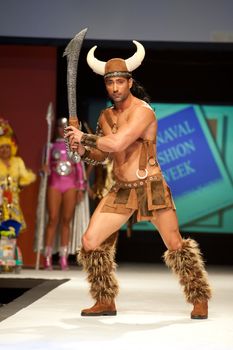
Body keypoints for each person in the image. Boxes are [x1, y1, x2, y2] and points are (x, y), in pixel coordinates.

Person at [65, 41, 212, 318]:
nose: (116, 88)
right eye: (111, 83)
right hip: (121, 188)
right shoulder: (105, 115)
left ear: (130, 82)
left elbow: (119, 142)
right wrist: (82, 148)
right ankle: (105, 299)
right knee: (90, 241)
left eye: (121, 81)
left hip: (150, 185)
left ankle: (199, 297)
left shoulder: (143, 111)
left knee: (175, 244)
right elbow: (101, 154)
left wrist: (84, 136)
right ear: (106, 86)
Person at [42, 118, 88, 270]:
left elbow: (80, 168)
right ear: (56, 129)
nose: (62, 129)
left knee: (66, 220)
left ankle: (63, 258)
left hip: (71, 185)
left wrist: (81, 187)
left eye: (65, 127)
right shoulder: (50, 146)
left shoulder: (73, 145)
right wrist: (44, 169)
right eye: (60, 127)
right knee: (53, 218)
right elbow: (45, 168)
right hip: (55, 184)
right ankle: (47, 257)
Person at [0, 118, 36, 271]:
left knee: (12, 231)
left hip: (13, 203)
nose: (5, 150)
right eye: (2, 148)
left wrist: (21, 183)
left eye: (7, 147)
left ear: (12, 148)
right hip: (0, 202)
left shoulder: (17, 162)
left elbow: (27, 177)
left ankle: (9, 261)